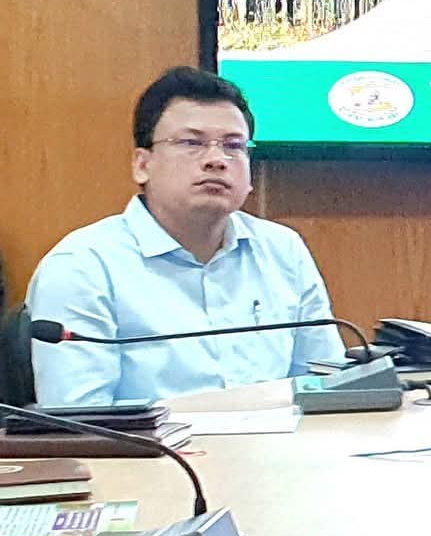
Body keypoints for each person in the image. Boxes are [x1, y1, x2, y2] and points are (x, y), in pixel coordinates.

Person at [25, 67, 344, 408]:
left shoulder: (283, 250)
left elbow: (327, 388)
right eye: (192, 143)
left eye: (234, 146)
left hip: (282, 443)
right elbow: (80, 419)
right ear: (142, 165)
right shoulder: (82, 266)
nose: (216, 160)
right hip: (143, 446)